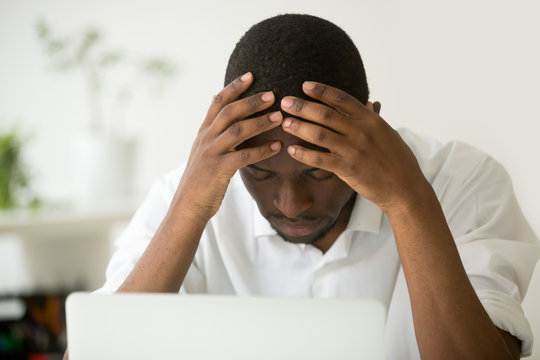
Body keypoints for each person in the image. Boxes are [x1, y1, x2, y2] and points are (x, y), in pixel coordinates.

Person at [93, 14, 538, 359]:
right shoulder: (191, 193)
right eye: (262, 173)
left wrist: (406, 200)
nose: (290, 205)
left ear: (370, 126)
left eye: (319, 170)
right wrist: (188, 212)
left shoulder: (463, 182)